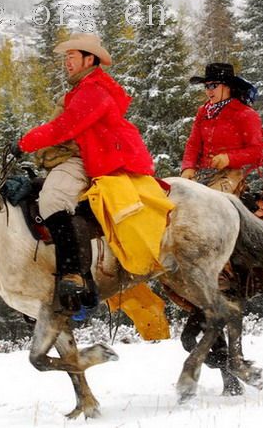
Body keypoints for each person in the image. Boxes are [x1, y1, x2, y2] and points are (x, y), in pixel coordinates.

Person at [10, 33, 155, 314]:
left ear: (90, 59)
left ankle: (74, 273)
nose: (67, 62)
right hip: (91, 155)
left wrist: (25, 143)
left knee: (51, 199)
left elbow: (65, 127)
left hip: (96, 158)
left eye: (72, 56)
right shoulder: (83, 89)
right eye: (66, 57)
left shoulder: (94, 90)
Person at [181, 63, 263, 196]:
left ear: (228, 87)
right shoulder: (203, 112)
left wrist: (229, 158)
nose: (209, 90)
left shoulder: (246, 114)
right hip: (201, 173)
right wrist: (188, 167)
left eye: (213, 85)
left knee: (209, 202)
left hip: (231, 175)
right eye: (206, 86)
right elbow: (193, 144)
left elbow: (256, 151)